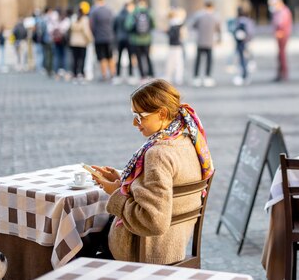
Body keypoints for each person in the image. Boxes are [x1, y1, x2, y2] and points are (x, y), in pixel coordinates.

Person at [90, 79, 214, 264]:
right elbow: (164, 188)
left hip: (143, 251)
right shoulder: (190, 139)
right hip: (174, 244)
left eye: (140, 116)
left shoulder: (158, 154)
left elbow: (153, 220)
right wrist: (124, 180)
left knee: (79, 238)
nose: (134, 123)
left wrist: (115, 193)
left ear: (162, 113)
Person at [191, 1, 221, 87]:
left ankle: (196, 77)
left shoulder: (199, 16)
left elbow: (193, 26)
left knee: (198, 60)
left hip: (200, 41)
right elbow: (219, 29)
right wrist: (219, 39)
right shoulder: (215, 17)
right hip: (210, 42)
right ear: (212, 7)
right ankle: (208, 77)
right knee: (209, 60)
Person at [126, 0, 155, 81]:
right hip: (147, 39)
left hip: (136, 40)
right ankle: (151, 74)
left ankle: (142, 76)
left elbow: (127, 26)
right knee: (147, 57)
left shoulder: (134, 12)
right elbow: (154, 25)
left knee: (139, 58)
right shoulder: (149, 12)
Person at [90, 0, 116, 81]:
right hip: (109, 37)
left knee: (102, 57)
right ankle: (112, 74)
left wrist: (94, 35)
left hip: (99, 38)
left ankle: (104, 75)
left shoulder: (94, 11)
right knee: (110, 56)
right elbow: (113, 23)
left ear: (97, 0)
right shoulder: (109, 10)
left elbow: (92, 26)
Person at [268, 0, 292, 82]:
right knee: (280, 55)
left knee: (282, 55)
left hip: (282, 35)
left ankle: (283, 74)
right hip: (279, 35)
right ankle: (279, 73)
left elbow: (283, 24)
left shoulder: (284, 12)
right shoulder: (277, 12)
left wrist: (280, 31)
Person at [68, 3, 94, 81]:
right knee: (82, 58)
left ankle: (75, 73)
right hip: (82, 42)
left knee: (75, 59)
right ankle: (81, 73)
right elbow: (86, 31)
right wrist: (90, 39)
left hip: (74, 42)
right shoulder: (85, 19)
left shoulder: (73, 18)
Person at [231, 6, 255, 86]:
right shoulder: (248, 21)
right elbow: (251, 33)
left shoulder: (239, 21)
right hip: (246, 43)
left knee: (242, 60)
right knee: (245, 60)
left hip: (242, 43)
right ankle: (245, 76)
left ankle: (244, 76)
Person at [164, 7, 187, 86]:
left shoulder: (175, 24)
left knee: (174, 62)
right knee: (177, 62)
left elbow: (174, 35)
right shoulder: (179, 23)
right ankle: (176, 77)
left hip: (175, 44)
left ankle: (172, 76)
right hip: (178, 44)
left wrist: (167, 32)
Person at [114, 2, 134, 82]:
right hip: (129, 39)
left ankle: (118, 75)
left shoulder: (118, 15)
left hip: (119, 39)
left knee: (118, 58)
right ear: (128, 7)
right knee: (130, 57)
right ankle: (130, 75)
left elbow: (114, 27)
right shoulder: (130, 16)